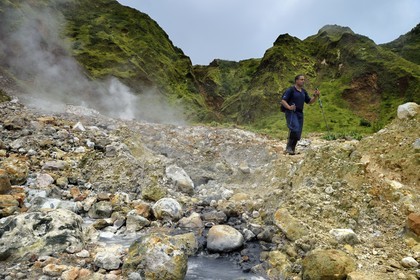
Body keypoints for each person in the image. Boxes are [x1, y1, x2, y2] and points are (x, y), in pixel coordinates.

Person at [280, 74, 320, 155]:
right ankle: (288, 148)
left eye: (303, 80)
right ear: (296, 80)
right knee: (294, 128)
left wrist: (315, 96)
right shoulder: (291, 90)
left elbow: (309, 101)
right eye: (301, 79)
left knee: (298, 132)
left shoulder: (303, 91)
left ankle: (292, 149)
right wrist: (289, 107)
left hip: (299, 113)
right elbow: (283, 101)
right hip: (291, 112)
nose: (303, 81)